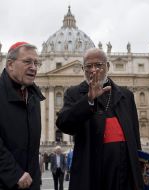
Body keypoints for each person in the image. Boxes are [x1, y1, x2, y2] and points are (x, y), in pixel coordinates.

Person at [56, 48, 144, 190]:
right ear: (83, 69)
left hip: (124, 172)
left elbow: (135, 136)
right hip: (91, 172)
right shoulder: (73, 93)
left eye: (98, 65)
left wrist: (141, 170)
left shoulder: (126, 95)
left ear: (108, 66)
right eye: (89, 66)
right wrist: (89, 99)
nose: (94, 70)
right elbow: (64, 124)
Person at [0, 41, 45, 190]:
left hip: (28, 184)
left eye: (36, 63)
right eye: (27, 62)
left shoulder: (33, 97)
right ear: (10, 64)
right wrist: (15, 174)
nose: (33, 67)